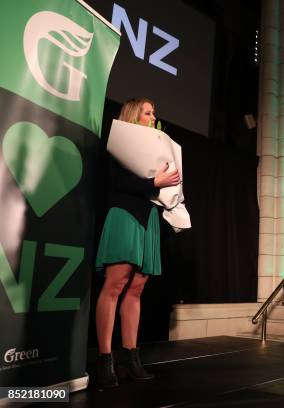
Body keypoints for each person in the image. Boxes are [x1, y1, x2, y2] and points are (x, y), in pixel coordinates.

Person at [95, 98, 180, 388]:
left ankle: (130, 357)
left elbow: (159, 184)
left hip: (149, 218)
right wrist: (154, 183)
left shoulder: (156, 147)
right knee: (115, 285)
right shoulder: (120, 144)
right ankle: (104, 360)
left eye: (154, 111)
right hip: (125, 213)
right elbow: (117, 183)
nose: (153, 115)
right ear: (133, 115)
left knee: (136, 289)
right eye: (148, 112)